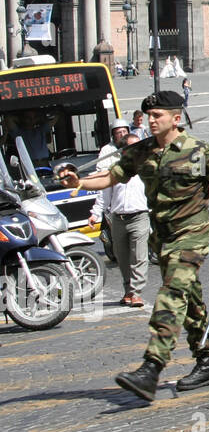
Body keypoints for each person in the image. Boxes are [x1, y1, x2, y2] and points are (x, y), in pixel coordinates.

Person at [58, 90, 209, 403]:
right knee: (191, 301)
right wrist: (77, 182)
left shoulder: (197, 150)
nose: (151, 120)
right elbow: (110, 177)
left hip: (192, 236)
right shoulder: (142, 150)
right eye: (149, 115)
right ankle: (207, 361)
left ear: (175, 118)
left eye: (158, 115)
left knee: (172, 296)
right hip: (163, 238)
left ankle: (151, 367)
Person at [88, 120, 150, 308]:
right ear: (123, 150)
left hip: (139, 216)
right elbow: (104, 194)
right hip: (118, 219)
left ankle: (136, 292)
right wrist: (95, 214)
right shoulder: (116, 170)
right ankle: (127, 291)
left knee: (139, 257)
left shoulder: (147, 168)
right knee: (122, 258)